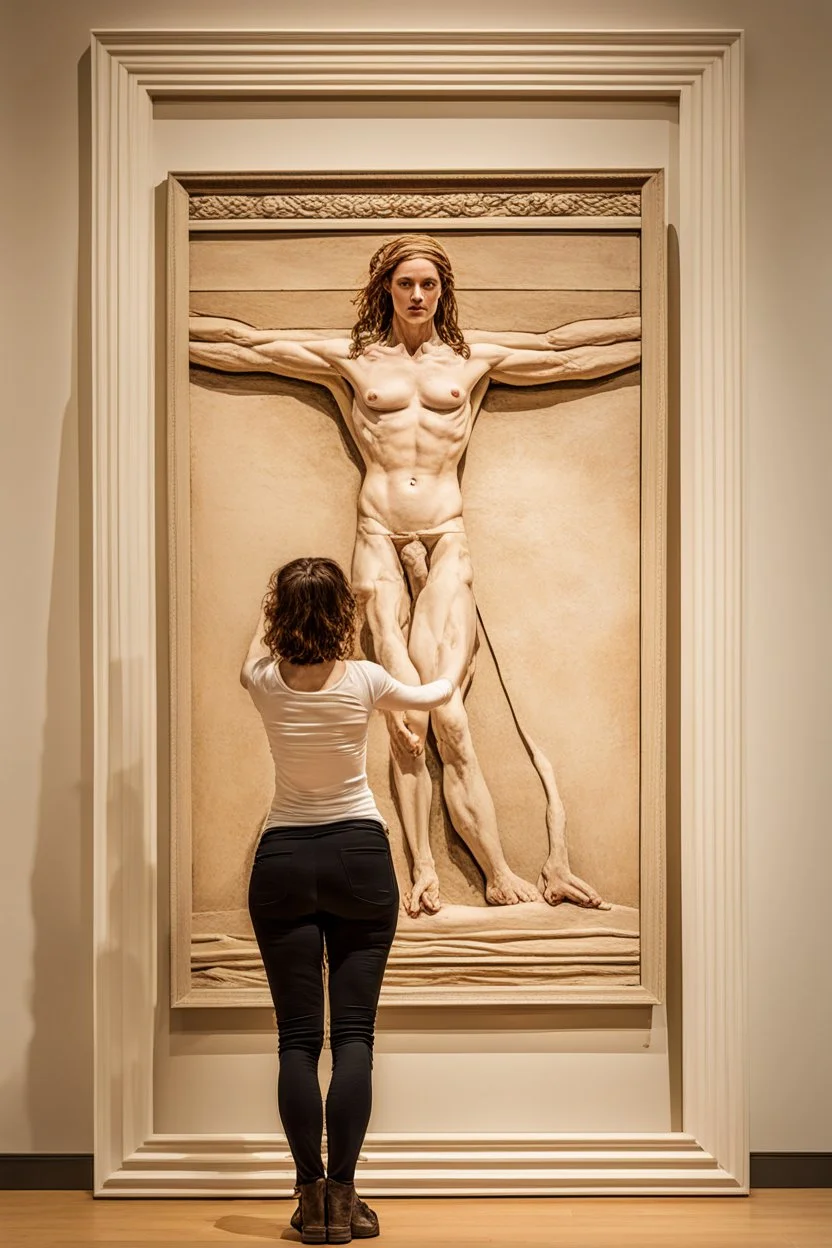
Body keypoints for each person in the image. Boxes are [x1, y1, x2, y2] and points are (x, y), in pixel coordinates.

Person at [192, 233, 640, 917]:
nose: (418, 295)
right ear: (387, 288)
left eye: (429, 284)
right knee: (406, 724)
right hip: (378, 538)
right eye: (406, 283)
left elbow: (561, 353)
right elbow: (251, 346)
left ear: (443, 290)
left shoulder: (470, 360)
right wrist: (161, 320)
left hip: (446, 538)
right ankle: (423, 871)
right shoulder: (356, 360)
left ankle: (497, 873)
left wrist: (664, 324)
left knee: (450, 722)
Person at [242, 556, 455, 1243]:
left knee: (297, 1042)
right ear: (342, 617)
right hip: (359, 859)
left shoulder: (263, 681)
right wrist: (450, 647)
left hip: (281, 863)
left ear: (280, 615)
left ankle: (312, 1201)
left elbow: (261, 642)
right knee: (354, 1037)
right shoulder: (366, 680)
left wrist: (277, 606)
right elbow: (437, 691)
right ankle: (346, 1197)